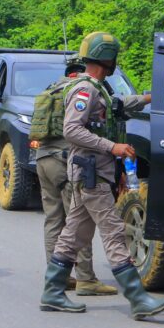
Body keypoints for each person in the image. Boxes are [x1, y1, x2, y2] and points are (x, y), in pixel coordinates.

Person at [39, 32, 164, 320]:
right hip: (91, 175)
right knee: (114, 233)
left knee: (73, 234)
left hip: (91, 173)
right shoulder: (85, 90)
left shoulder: (98, 88)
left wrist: (150, 98)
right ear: (108, 58)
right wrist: (113, 147)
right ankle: (138, 298)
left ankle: (52, 292)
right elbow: (72, 130)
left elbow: (118, 105)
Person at [35, 54, 117, 296]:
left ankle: (58, 277)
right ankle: (85, 278)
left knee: (53, 220)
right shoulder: (83, 89)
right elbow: (75, 129)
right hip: (65, 162)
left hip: (43, 160)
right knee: (79, 222)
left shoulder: (53, 88)